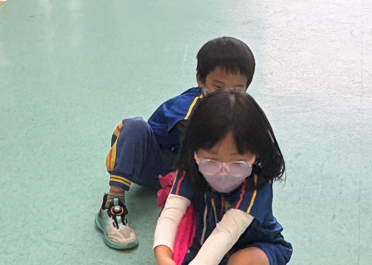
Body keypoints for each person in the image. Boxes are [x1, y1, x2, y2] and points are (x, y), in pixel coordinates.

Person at [153, 91, 291, 265]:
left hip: (259, 255)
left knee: (240, 264)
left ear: (254, 156)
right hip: (207, 261)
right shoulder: (188, 171)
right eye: (212, 160)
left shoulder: (256, 184)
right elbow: (170, 214)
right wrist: (163, 255)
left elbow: (226, 234)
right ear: (194, 153)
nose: (224, 172)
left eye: (237, 162)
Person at [97, 37, 255, 250]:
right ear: (200, 80)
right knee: (134, 126)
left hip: (187, 174)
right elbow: (191, 145)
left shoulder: (241, 110)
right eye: (218, 87)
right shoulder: (189, 106)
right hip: (154, 164)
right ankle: (113, 203)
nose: (227, 95)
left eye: (237, 89)